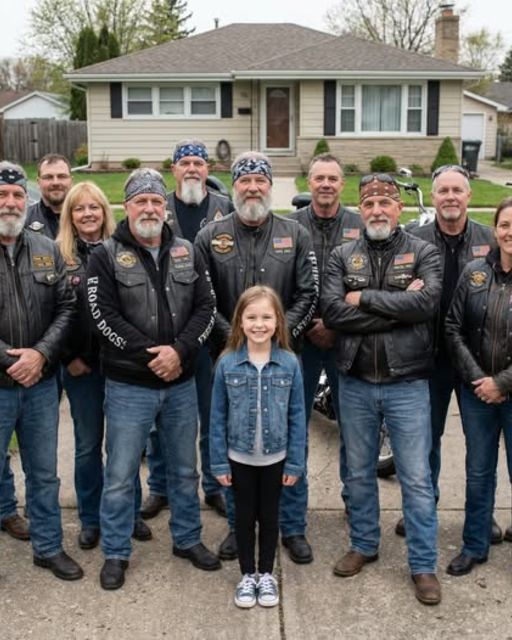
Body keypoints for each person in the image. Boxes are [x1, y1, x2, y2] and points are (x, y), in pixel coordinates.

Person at [86, 167, 219, 590]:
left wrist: (179, 352)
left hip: (180, 384)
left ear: (165, 207)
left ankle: (188, 539)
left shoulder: (187, 251)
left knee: (184, 470)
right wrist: (152, 356)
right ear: (126, 207)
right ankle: (116, 551)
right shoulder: (105, 255)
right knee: (121, 474)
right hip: (129, 387)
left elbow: (207, 308)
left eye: (156, 201)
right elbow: (102, 317)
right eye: (140, 201)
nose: (149, 208)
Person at [322, 174, 442, 605]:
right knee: (357, 472)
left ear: (399, 208)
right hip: (354, 380)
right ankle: (364, 544)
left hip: (406, 382)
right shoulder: (342, 255)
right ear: (361, 209)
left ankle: (423, 565)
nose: (377, 210)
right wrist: (397, 305)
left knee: (416, 477)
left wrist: (364, 298)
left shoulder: (423, 251)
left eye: (385, 203)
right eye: (369, 203)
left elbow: (426, 304)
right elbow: (333, 312)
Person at [195, 151, 318, 564]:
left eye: (259, 181)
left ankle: (293, 527)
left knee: (291, 437)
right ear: (234, 186)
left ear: (270, 186)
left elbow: (308, 294)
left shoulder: (295, 234)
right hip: (229, 361)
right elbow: (202, 299)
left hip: (283, 360)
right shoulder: (210, 236)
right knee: (234, 442)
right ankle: (238, 526)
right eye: (244, 181)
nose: (252, 188)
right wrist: (234, 340)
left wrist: (280, 336)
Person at [405, 164, 501, 542]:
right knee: (425, 442)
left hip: (476, 361)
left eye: (457, 190)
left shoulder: (490, 239)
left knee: (481, 448)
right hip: (427, 359)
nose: (450, 197)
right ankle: (423, 509)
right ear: (432, 197)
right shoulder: (412, 239)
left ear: (469, 195)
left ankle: (482, 517)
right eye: (443, 191)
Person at [140, 139, 233, 521]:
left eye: (199, 162)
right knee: (160, 422)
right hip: (168, 335)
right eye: (185, 163)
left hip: (214, 334)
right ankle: (160, 487)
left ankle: (214, 485)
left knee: (213, 416)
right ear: (174, 169)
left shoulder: (225, 209)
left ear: (208, 169)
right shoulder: (156, 208)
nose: (192, 169)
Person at [0, 161, 82, 581]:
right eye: (2, 195)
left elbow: (67, 308)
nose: (10, 203)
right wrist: (12, 360)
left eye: (17, 195)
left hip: (41, 384)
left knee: (44, 473)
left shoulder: (47, 248)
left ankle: (48, 547)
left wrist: (40, 354)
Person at [57, 182, 151, 550]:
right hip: (81, 368)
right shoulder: (58, 255)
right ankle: (91, 518)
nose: (88, 214)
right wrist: (68, 357)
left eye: (94, 207)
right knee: (87, 445)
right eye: (79, 208)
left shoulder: (125, 250)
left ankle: (129, 512)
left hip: (122, 365)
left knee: (126, 445)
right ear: (70, 216)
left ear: (105, 211)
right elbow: (54, 312)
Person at [210, 286, 306, 608]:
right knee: (242, 517)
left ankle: (266, 574)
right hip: (239, 458)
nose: (259, 324)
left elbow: (297, 416)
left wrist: (295, 462)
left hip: (276, 458)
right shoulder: (227, 364)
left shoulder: (290, 363)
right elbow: (217, 417)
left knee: (269, 517)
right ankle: (246, 575)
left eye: (266, 317)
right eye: (251, 317)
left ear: (278, 321)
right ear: (240, 321)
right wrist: (219, 463)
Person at [289, 153, 363, 513]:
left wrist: (335, 325)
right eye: (319, 178)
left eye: (333, 179)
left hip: (346, 341)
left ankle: (354, 501)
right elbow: (282, 285)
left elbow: (370, 284)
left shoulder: (360, 226)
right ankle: (293, 505)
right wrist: (306, 324)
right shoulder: (288, 226)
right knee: (295, 424)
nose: (326, 185)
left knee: (352, 426)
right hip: (299, 342)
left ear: (342, 184)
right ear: (309, 182)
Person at [444, 196, 512, 576]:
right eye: (505, 225)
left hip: (507, 390)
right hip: (477, 394)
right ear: (495, 230)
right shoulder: (474, 273)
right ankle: (474, 545)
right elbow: (453, 328)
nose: (510, 232)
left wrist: (501, 383)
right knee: (479, 471)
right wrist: (479, 380)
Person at [26, 153, 73, 239]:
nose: (55, 183)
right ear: (38, 182)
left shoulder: (85, 218)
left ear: (71, 181)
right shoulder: (24, 221)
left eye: (62, 176)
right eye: (48, 177)